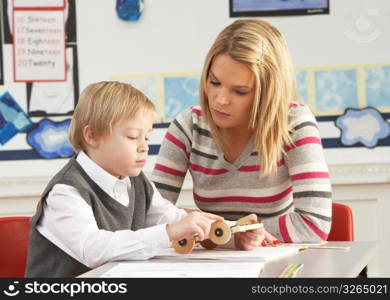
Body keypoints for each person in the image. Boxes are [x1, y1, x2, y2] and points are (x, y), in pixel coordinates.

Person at [151, 19, 332, 246]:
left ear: (269, 93)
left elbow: (314, 224)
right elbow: (151, 216)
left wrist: (232, 233)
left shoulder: (294, 123)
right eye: (214, 82)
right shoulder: (189, 126)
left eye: (240, 91)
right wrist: (233, 235)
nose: (220, 100)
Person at [25, 81, 224, 277]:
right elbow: (92, 249)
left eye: (146, 137)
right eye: (132, 136)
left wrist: (230, 231)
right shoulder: (66, 192)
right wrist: (169, 232)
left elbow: (170, 217)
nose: (144, 147)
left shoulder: (135, 181)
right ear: (92, 136)